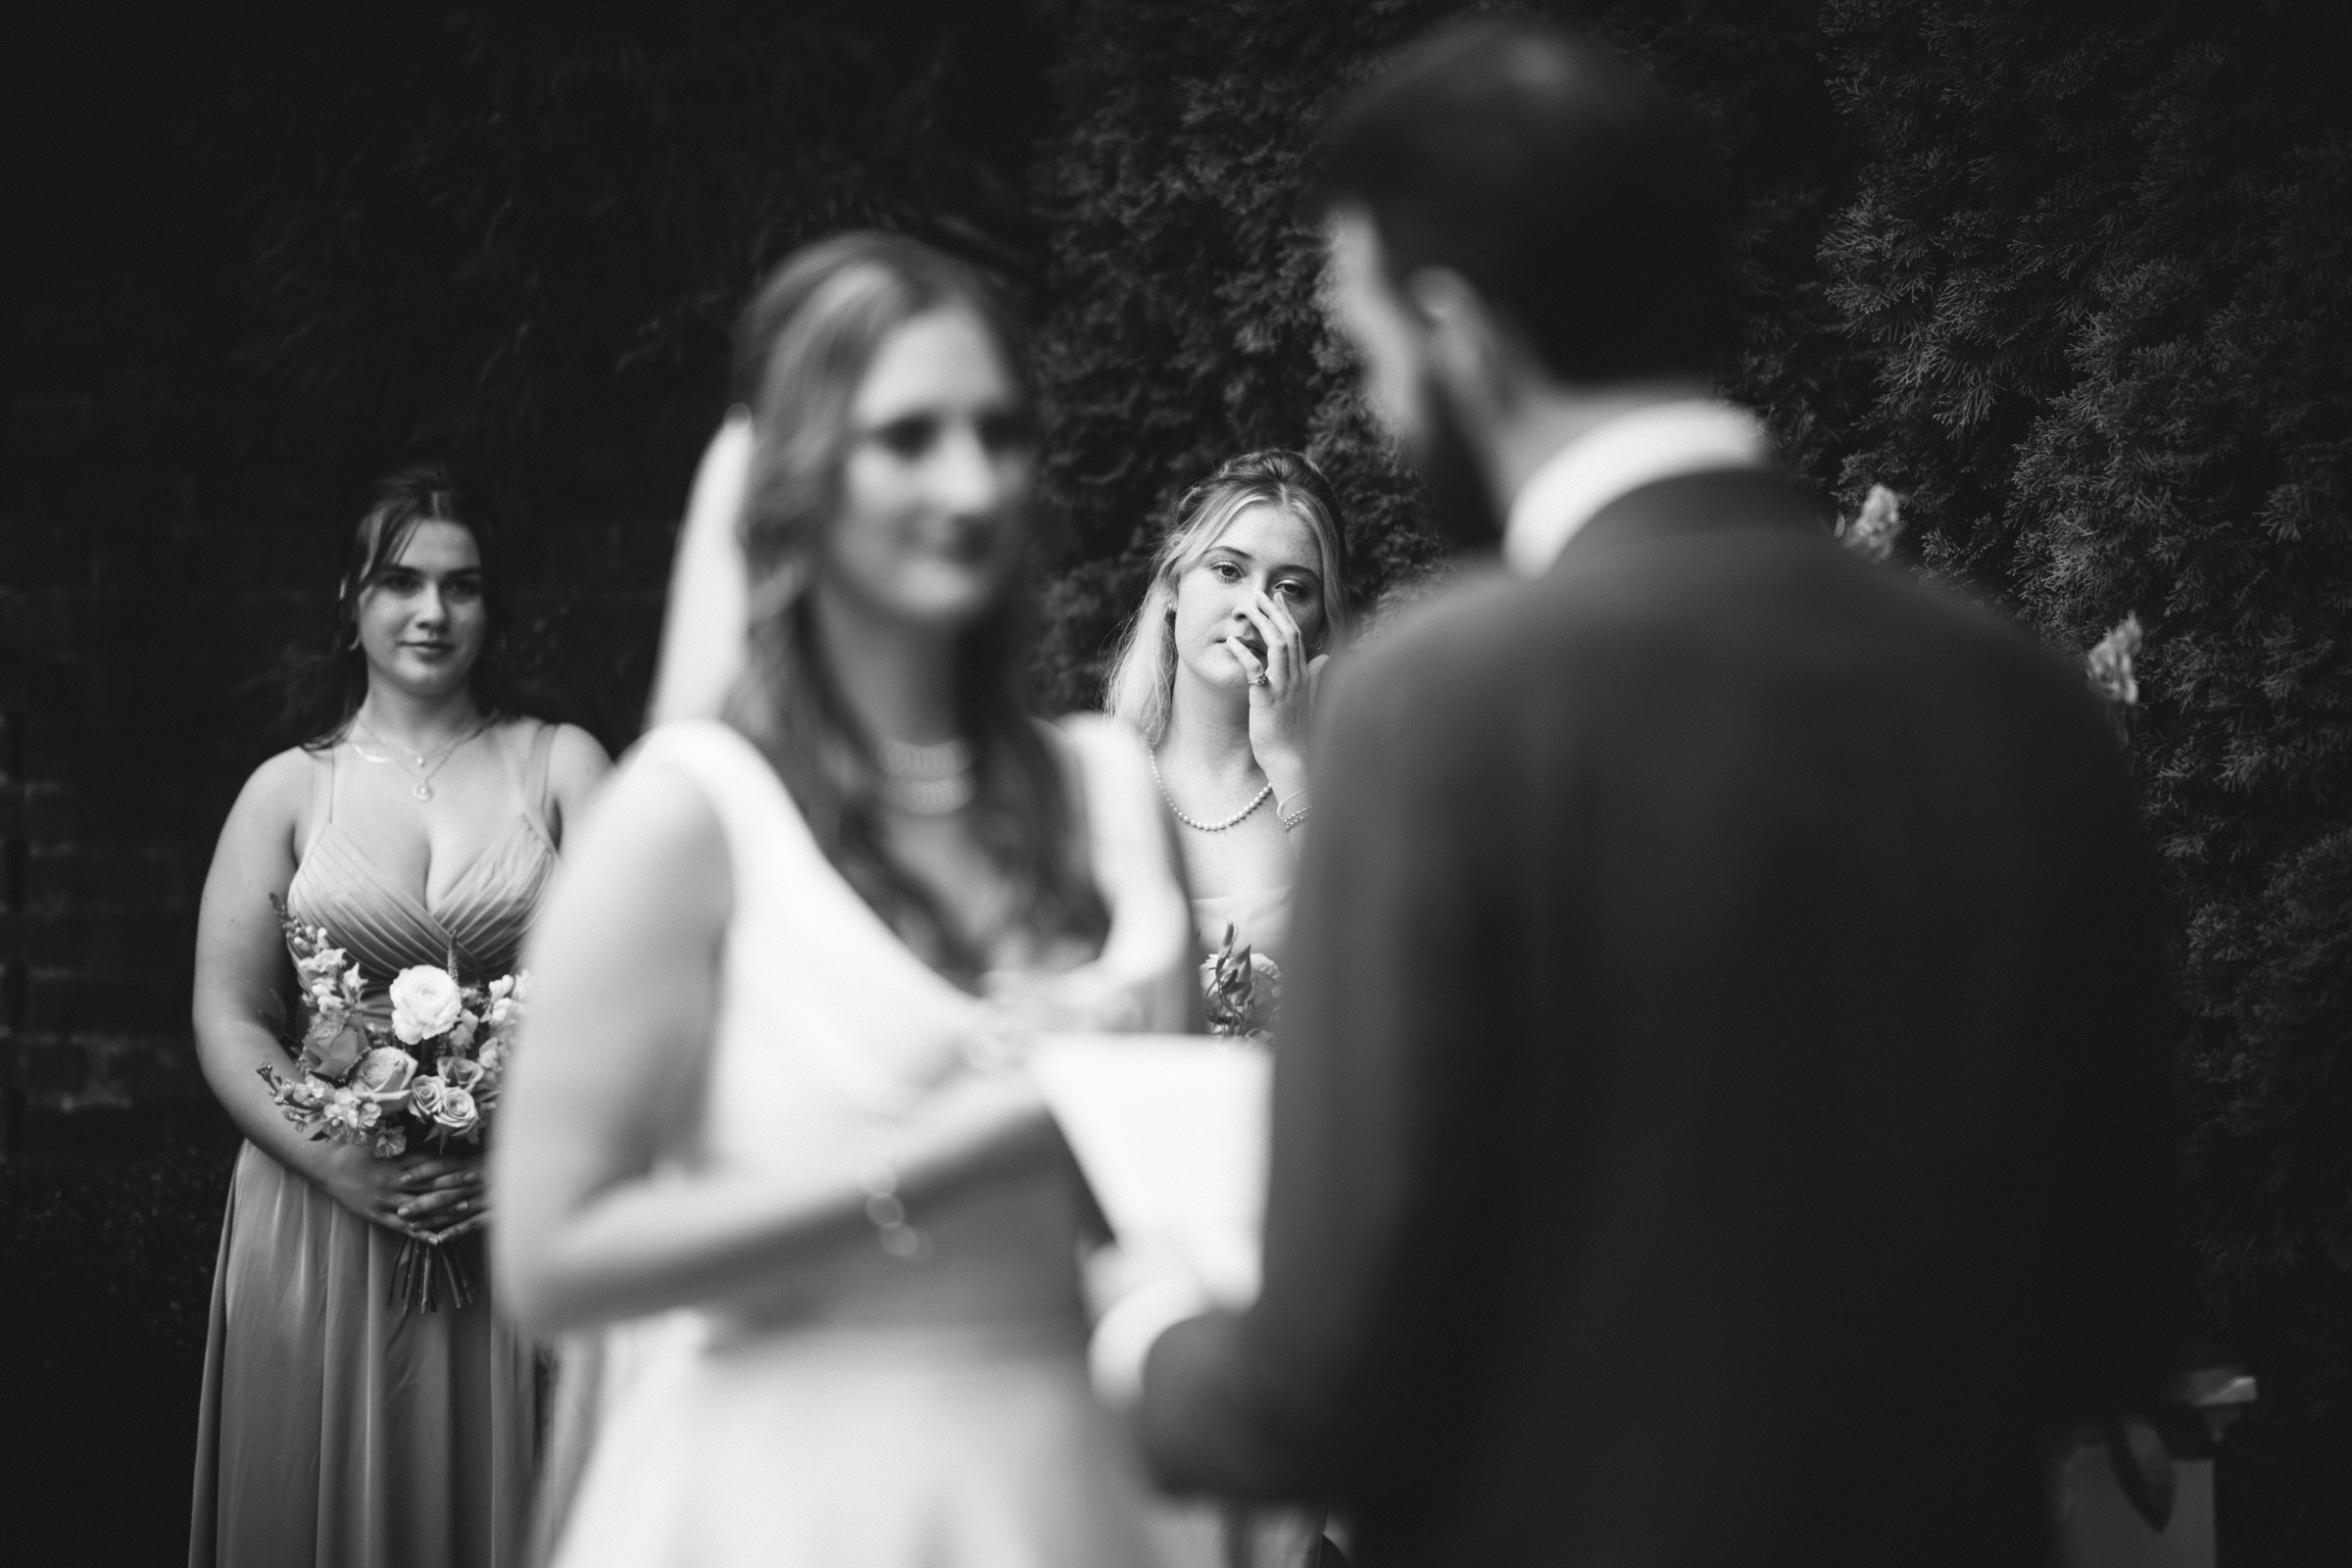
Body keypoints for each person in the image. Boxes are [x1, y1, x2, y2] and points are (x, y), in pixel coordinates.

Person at [1098, 20, 2183, 1568]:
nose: (1389, 409)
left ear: (1459, 333)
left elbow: (1322, 1389)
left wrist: (1134, 1327)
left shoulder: (1445, 706)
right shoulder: (2022, 708)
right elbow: (2107, 1323)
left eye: (1374, 355)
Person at [492, 231, 1208, 1568]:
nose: (971, 481)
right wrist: (936, 1162)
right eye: (909, 437)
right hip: (781, 1501)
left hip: (1068, 1497)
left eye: (998, 433)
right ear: (800, 477)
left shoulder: (1113, 794)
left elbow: (1159, 1203)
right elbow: (552, 1257)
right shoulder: (694, 816)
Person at [187, 466, 611, 1568]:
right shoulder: (285, 791)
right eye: (402, 582)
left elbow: (635, 1003)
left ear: (491, 601)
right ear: (352, 599)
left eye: (462, 586)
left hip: (516, 1210)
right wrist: (341, 1163)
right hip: (322, 1219)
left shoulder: (564, 767)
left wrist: (517, 1148)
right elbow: (232, 1019)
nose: (433, 613)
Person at [1104, 448, 1351, 998]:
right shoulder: (1100, 773)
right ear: (1173, 587)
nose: (1254, 606)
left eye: (1291, 588)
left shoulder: (1349, 788)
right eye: (1227, 570)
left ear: (1317, 627)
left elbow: (1370, 963)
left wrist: (1290, 763)